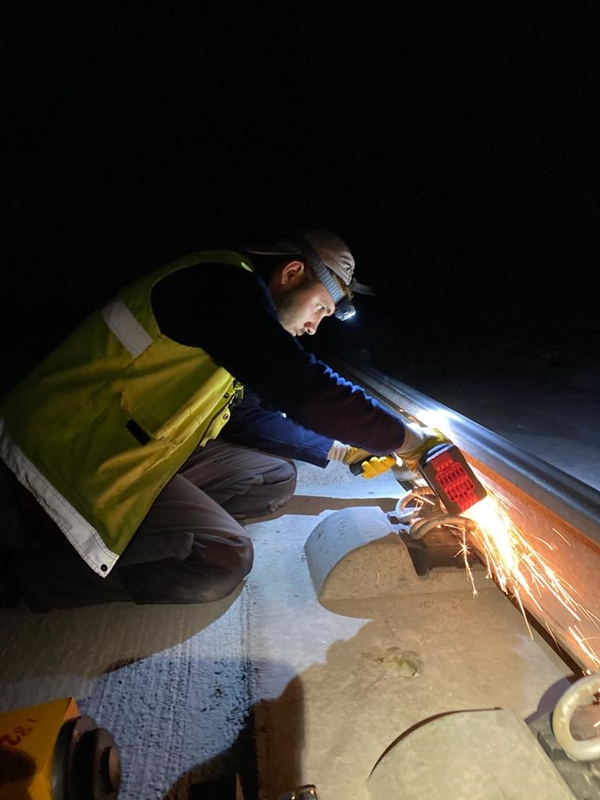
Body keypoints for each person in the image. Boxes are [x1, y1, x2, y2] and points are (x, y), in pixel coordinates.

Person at [0, 229, 445, 610]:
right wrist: (407, 440)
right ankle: (28, 579)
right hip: (65, 450)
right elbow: (302, 385)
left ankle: (153, 532)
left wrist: (342, 448)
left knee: (273, 479)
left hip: (134, 447)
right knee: (223, 561)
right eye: (320, 309)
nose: (314, 327)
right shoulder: (220, 286)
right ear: (292, 272)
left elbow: (248, 412)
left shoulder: (234, 315)